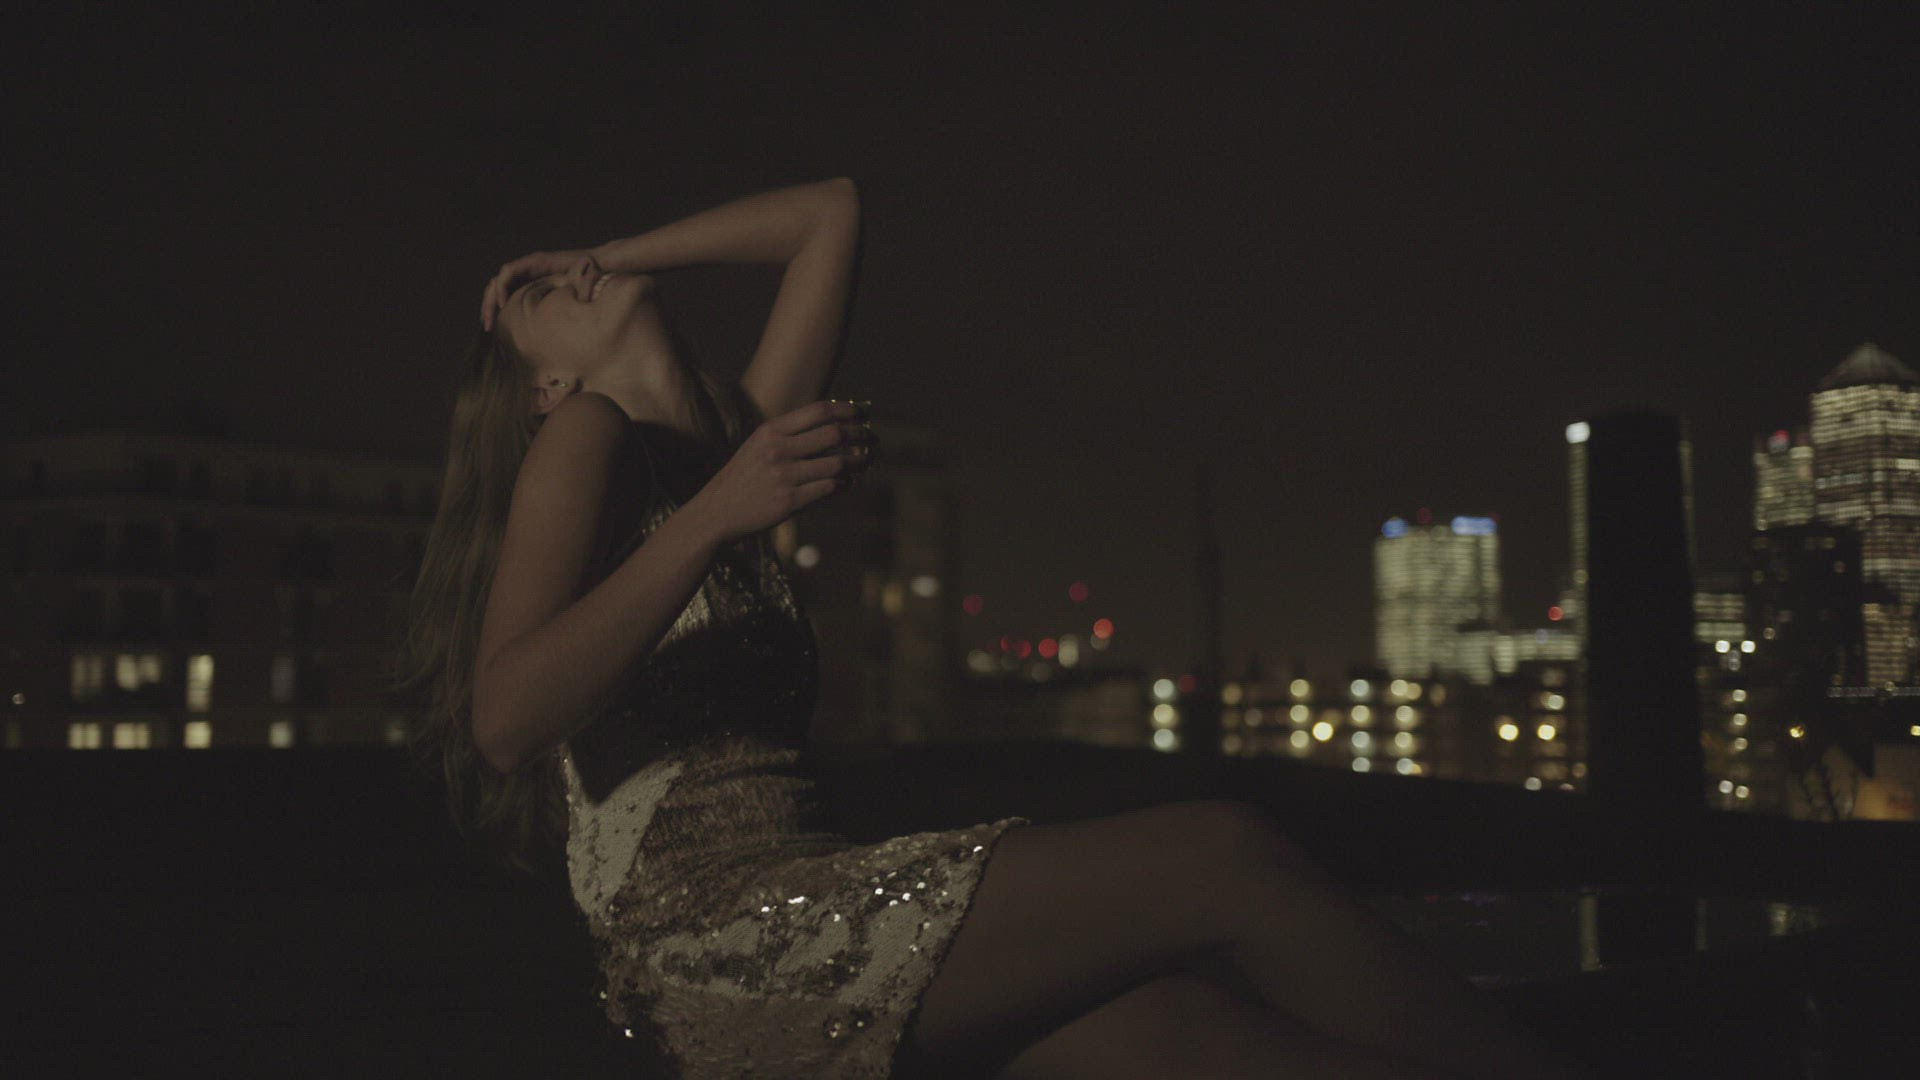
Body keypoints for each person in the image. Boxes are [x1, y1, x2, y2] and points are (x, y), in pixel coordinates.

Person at [397, 177, 1595, 1079]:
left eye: (568, 270)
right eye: (541, 299)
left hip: (810, 892)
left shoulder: (732, 443)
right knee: (1221, 856)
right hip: (712, 941)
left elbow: (829, 211)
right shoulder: (588, 437)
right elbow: (505, 721)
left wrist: (611, 256)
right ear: (543, 389)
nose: (571, 279)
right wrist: (718, 515)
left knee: (1183, 1034)